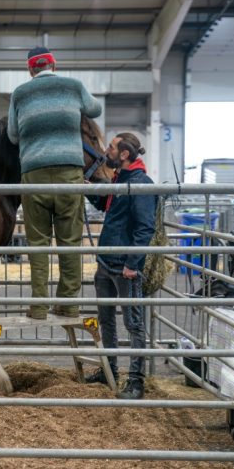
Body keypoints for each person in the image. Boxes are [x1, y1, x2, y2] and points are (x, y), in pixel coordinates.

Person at [7, 46, 102, 320]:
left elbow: (13, 135)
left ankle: (38, 306)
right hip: (69, 175)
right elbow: (95, 109)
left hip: (34, 175)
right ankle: (69, 303)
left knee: (38, 243)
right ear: (54, 65)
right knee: (70, 241)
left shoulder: (20, 94)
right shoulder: (73, 86)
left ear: (30, 69)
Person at [85, 133, 156, 400]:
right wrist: (88, 189)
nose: (107, 151)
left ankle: (136, 382)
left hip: (125, 268)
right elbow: (107, 205)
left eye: (112, 147)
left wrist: (132, 264)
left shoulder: (141, 184)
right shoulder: (119, 179)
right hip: (106, 263)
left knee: (133, 323)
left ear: (124, 154)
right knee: (106, 320)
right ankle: (110, 370)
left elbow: (145, 227)